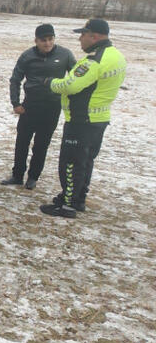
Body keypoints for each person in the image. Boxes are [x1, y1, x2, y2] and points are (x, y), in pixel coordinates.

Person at [39, 19, 126, 218]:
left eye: (82, 35)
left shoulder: (94, 61)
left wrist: (51, 82)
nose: (80, 39)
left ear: (93, 36)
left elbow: (70, 85)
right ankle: (78, 199)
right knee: (85, 162)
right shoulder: (117, 56)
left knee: (70, 163)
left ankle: (68, 205)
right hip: (99, 118)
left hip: (81, 120)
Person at [0, 24, 76, 190]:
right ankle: (17, 175)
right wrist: (16, 103)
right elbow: (15, 79)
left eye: (50, 39)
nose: (47, 43)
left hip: (52, 107)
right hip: (30, 106)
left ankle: (33, 177)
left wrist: (72, 100)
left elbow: (76, 79)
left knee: (41, 145)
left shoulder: (65, 55)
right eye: (43, 40)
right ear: (36, 41)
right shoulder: (27, 56)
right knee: (22, 143)